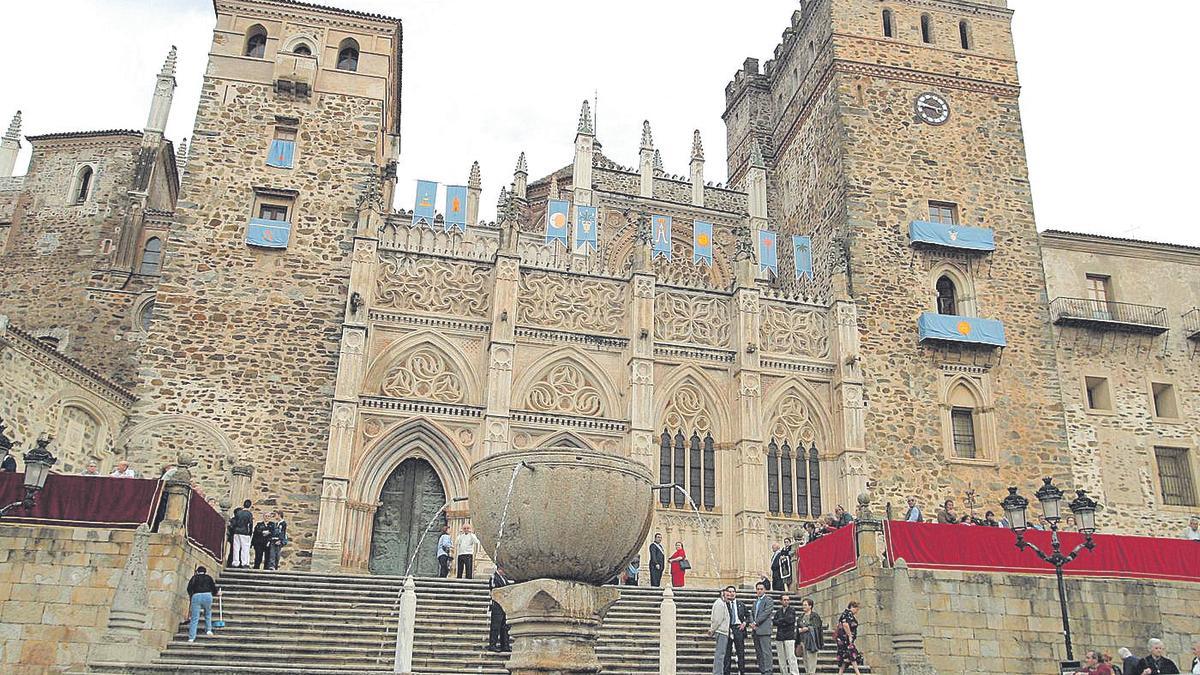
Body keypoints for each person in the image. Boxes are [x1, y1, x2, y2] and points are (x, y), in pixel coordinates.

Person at [185, 565, 220, 642]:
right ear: (205, 572)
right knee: (208, 613)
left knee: (194, 617)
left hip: (196, 595)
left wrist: (192, 595)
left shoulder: (194, 578)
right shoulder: (208, 578)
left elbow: (189, 588)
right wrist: (216, 593)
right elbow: (213, 587)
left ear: (197, 571)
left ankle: (191, 637)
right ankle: (208, 630)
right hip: (207, 595)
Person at [749, 580, 776, 675]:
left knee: (766, 652)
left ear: (765, 590)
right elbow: (751, 613)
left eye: (761, 589)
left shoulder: (768, 600)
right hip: (755, 630)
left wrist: (756, 622)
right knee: (759, 652)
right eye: (758, 589)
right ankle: (762, 670)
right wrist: (752, 622)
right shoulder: (755, 602)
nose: (759, 591)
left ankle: (768, 671)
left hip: (764, 630)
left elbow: (766, 613)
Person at [707, 586, 735, 675]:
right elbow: (717, 619)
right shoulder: (719, 603)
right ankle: (717, 672)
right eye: (727, 594)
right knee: (720, 654)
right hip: (721, 631)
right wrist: (712, 629)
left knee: (721, 654)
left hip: (723, 631)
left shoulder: (722, 603)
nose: (729, 596)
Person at [772, 593, 799, 675]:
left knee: (791, 657)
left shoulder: (792, 610)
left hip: (789, 636)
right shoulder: (778, 611)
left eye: (787, 600)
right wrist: (782, 621)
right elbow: (774, 622)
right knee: (781, 658)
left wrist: (780, 621)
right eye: (784, 600)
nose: (786, 601)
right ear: (781, 601)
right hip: (779, 637)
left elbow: (790, 620)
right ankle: (784, 673)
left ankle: (794, 673)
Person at [835, 600, 864, 675]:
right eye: (856, 609)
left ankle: (840, 673)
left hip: (844, 638)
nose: (857, 611)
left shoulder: (846, 614)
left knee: (846, 656)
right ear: (852, 607)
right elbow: (845, 624)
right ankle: (858, 673)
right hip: (845, 639)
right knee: (852, 654)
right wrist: (850, 635)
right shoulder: (848, 614)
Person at [487, 566, 512, 652]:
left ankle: (505, 645)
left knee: (505, 626)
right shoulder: (494, 577)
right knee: (495, 626)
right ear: (499, 569)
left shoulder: (504, 578)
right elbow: (493, 589)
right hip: (497, 604)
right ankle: (492, 645)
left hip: (504, 604)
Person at [795, 597, 822, 675]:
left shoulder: (814, 616)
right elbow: (798, 627)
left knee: (812, 659)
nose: (804, 606)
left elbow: (816, 626)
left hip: (812, 641)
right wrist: (799, 630)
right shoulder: (801, 617)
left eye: (805, 605)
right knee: (805, 659)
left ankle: (811, 673)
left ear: (810, 606)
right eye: (803, 605)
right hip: (803, 640)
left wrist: (807, 628)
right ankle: (807, 672)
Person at [727, 586, 750, 675]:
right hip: (728, 629)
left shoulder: (741, 604)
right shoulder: (725, 604)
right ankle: (726, 671)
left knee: (740, 651)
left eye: (733, 591)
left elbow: (748, 616)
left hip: (739, 629)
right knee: (727, 652)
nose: (732, 593)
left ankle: (741, 671)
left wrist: (744, 623)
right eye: (730, 591)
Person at [230, 499, 253, 568]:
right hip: (245, 532)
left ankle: (235, 562)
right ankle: (244, 562)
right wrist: (250, 533)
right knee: (245, 548)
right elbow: (250, 524)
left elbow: (234, 523)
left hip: (237, 531)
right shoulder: (249, 514)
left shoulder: (238, 513)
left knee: (236, 547)